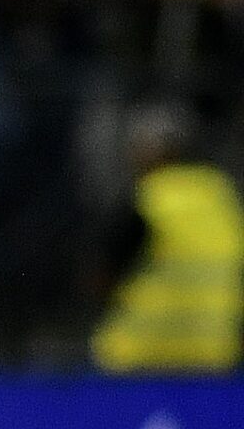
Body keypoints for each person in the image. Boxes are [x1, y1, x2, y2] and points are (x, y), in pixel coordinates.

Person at [92, 105, 244, 373]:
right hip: (213, 355)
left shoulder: (148, 199)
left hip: (141, 354)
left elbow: (101, 275)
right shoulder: (222, 196)